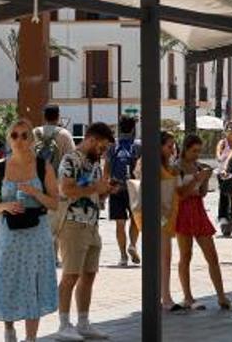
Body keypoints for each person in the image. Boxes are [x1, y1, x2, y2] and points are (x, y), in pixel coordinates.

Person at [0, 119, 59, 342]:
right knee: (6, 279)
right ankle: (9, 329)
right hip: (8, 234)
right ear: (9, 139)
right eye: (14, 135)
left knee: (34, 281)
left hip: (36, 234)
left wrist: (34, 193)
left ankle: (31, 338)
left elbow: (54, 203)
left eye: (24, 135)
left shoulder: (43, 166)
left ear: (31, 139)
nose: (19, 140)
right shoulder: (0, 168)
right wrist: (5, 206)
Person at [52, 122, 117, 341]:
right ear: (91, 140)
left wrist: (105, 191)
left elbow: (93, 193)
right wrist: (95, 188)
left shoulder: (94, 163)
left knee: (89, 274)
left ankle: (83, 322)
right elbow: (66, 189)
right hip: (72, 223)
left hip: (91, 224)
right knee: (70, 275)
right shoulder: (71, 159)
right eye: (102, 147)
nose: (103, 151)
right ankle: (63, 324)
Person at [174, 134, 232, 311]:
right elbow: (180, 194)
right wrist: (197, 178)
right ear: (185, 149)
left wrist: (205, 179)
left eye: (199, 151)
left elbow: (201, 194)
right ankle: (187, 296)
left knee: (212, 256)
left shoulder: (197, 166)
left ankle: (221, 296)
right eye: (194, 151)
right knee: (186, 255)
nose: (196, 154)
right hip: (183, 212)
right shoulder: (177, 168)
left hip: (198, 210)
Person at [136, 132, 181, 311]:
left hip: (166, 214)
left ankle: (164, 295)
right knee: (162, 256)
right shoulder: (150, 163)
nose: (172, 150)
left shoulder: (167, 164)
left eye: (173, 146)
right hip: (156, 215)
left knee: (164, 257)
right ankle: (164, 297)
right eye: (169, 146)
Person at [108, 116, 141, 266]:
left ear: (119, 128)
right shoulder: (138, 145)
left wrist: (105, 188)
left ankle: (122, 256)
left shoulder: (112, 146)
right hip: (134, 187)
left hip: (116, 187)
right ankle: (132, 245)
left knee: (119, 223)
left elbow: (107, 167)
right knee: (135, 220)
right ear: (133, 129)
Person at [35, 105, 77, 172]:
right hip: (56, 178)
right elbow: (72, 158)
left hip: (36, 178)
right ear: (58, 116)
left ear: (44, 117)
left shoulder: (34, 133)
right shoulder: (64, 134)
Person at [215, 122, 232, 232]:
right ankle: (223, 217)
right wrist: (221, 157)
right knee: (224, 194)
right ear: (225, 131)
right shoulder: (222, 143)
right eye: (229, 129)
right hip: (223, 172)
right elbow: (218, 154)